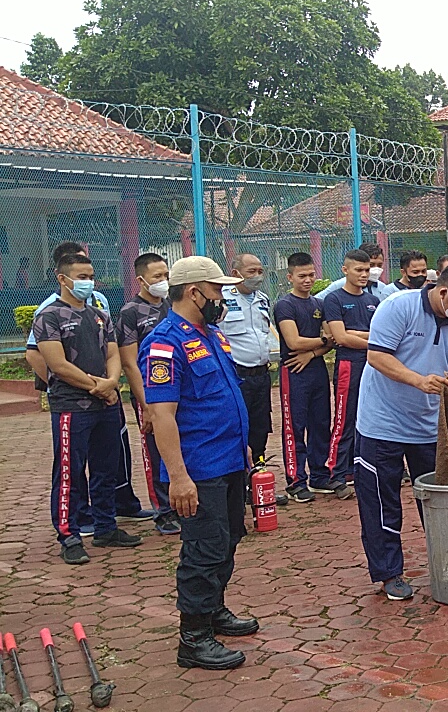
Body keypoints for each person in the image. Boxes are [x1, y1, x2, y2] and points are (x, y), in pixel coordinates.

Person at [141, 256, 258, 670]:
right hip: (198, 469)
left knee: (227, 541)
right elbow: (162, 415)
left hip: (227, 460)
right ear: (194, 292)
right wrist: (178, 478)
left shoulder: (211, 333)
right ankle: (193, 638)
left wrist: (242, 447)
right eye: (217, 290)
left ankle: (214, 611)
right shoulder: (164, 343)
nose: (222, 297)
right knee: (203, 551)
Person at [354, 261, 448, 601]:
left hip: (430, 427)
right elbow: (377, 357)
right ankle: (388, 573)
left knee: (439, 500)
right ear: (442, 292)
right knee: (382, 501)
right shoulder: (397, 308)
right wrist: (418, 379)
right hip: (381, 423)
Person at [27, 241, 150, 531]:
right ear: (62, 278)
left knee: (106, 468)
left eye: (91, 276)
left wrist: (111, 383)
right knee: (70, 471)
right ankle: (69, 534)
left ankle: (106, 528)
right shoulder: (48, 316)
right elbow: (57, 365)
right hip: (72, 406)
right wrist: (96, 386)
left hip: (106, 404)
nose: (89, 283)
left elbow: (113, 353)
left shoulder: (100, 314)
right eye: (82, 277)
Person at [117, 253, 181, 536]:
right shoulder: (130, 312)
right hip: (150, 394)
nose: (163, 281)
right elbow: (129, 363)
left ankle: (182, 503)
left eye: (166, 275)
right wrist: (147, 406)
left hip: (176, 390)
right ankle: (163, 511)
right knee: (155, 451)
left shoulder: (172, 305)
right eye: (157, 277)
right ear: (141, 280)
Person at [273, 253, 334, 503]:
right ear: (290, 277)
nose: (307, 280)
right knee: (293, 426)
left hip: (315, 368)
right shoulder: (284, 305)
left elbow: (332, 341)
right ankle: (296, 480)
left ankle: (320, 475)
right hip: (293, 371)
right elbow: (293, 341)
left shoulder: (319, 304)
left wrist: (311, 353)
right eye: (302, 276)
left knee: (320, 423)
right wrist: (320, 342)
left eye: (311, 275)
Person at [321, 249, 378, 497]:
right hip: (348, 366)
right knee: (344, 419)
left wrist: (356, 335)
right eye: (359, 270)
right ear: (345, 270)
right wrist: (373, 340)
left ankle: (356, 468)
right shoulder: (334, 299)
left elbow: (369, 332)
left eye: (367, 270)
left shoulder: (373, 301)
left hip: (373, 365)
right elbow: (341, 337)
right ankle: (335, 472)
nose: (364, 274)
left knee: (368, 418)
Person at [222, 253, 275, 471]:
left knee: (260, 427)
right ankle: (240, 480)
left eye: (260, 271)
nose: (257, 276)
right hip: (237, 376)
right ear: (236, 274)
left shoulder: (263, 299)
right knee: (236, 427)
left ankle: (258, 477)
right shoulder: (222, 298)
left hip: (261, 376)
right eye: (251, 272)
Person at [316, 242, 393, 301]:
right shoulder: (340, 285)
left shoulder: (383, 288)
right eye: (371, 265)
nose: (376, 270)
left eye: (379, 265)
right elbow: (318, 300)